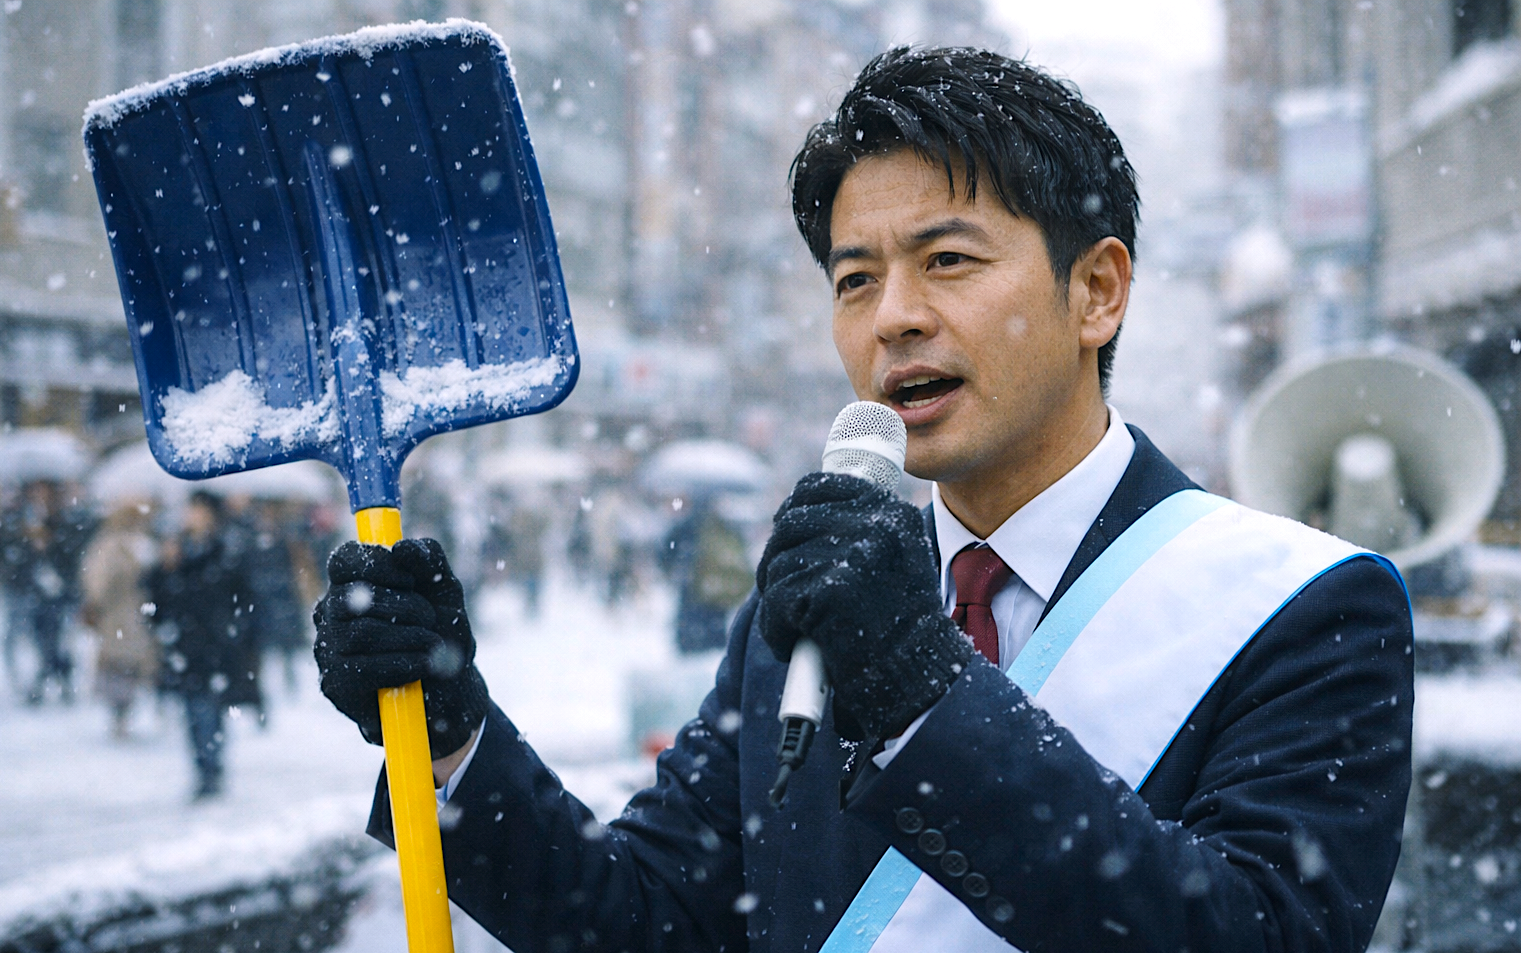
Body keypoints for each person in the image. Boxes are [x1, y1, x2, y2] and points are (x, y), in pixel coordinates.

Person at [312, 48, 1414, 952]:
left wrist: (922, 689)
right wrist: (450, 738)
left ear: (1097, 290)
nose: (892, 317)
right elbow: (646, 917)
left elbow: (1259, 933)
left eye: (947, 260)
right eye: (853, 278)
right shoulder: (806, 611)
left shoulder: (1305, 609)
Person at [147, 491, 257, 800]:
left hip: (216, 647)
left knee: (208, 711)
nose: (192, 517)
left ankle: (211, 769)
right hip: (185, 646)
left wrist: (237, 634)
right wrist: (164, 569)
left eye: (198, 510)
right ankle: (204, 767)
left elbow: (242, 596)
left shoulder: (225, 549)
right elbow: (157, 601)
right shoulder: (174, 552)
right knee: (193, 713)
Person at [81, 498, 159, 739]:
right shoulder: (117, 545)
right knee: (121, 666)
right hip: (122, 615)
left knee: (125, 666)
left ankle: (123, 713)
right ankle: (121, 714)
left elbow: (96, 582)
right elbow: (99, 582)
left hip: (131, 615)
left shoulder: (136, 544)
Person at [659, 494, 755, 653]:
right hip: (716, 591)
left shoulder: (685, 526)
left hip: (692, 591)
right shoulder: (725, 526)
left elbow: (665, 554)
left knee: (691, 634)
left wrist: (674, 570)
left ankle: (691, 652)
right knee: (714, 631)